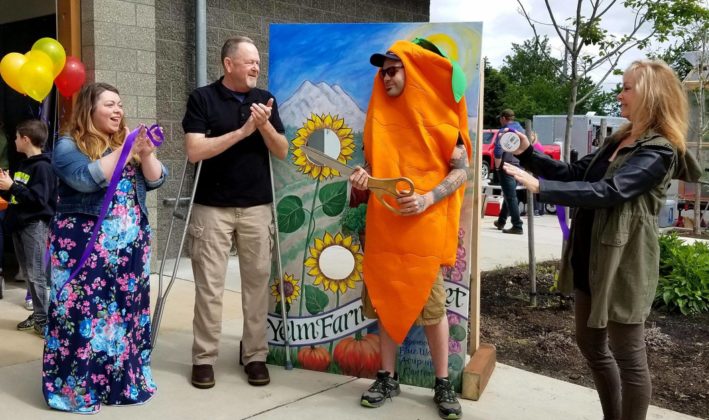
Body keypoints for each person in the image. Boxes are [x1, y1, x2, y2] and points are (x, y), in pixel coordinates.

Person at [504, 59, 701, 420]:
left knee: (628, 356)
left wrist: (541, 187)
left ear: (652, 95)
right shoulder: (619, 137)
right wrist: (529, 155)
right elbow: (578, 172)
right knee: (590, 344)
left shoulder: (660, 150)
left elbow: (611, 190)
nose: (620, 94)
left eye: (628, 88)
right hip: (588, 252)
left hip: (624, 260)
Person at [350, 39, 470, 420]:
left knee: (433, 309)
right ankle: (387, 377)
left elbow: (462, 170)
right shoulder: (378, 118)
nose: (384, 78)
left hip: (424, 228)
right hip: (385, 227)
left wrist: (427, 198)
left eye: (392, 70)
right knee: (386, 301)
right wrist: (362, 181)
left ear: (412, 70)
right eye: (381, 72)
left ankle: (442, 382)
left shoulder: (443, 117)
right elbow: (373, 170)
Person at [43, 82, 167, 413]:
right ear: (89, 110)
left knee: (126, 315)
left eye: (121, 105)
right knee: (82, 314)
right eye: (110, 104)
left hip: (130, 249)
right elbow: (85, 179)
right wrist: (126, 148)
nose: (118, 110)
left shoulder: (122, 143)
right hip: (82, 246)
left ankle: (121, 384)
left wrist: (145, 153)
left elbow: (156, 179)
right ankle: (78, 387)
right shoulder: (68, 145)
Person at [182, 36, 288, 389]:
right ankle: (204, 358)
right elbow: (195, 150)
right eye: (249, 61)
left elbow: (282, 150)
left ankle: (255, 354)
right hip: (211, 208)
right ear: (229, 64)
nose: (256, 67)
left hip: (257, 207)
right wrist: (244, 131)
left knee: (257, 286)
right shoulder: (202, 98)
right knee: (209, 287)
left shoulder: (265, 100)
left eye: (258, 61)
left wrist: (265, 126)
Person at [0, 119, 56, 334]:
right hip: (20, 225)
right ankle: (39, 314)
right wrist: (7, 187)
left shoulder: (43, 167)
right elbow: (19, 196)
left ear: (25, 139)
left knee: (36, 274)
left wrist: (13, 186)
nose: (13, 141)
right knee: (29, 275)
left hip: (34, 225)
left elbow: (39, 200)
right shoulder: (24, 165)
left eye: (16, 137)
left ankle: (44, 320)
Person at [492, 109, 524, 234]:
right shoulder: (520, 130)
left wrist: (498, 167)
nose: (500, 121)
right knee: (509, 194)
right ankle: (501, 220)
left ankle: (517, 225)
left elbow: (498, 151)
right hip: (518, 166)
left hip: (506, 166)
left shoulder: (503, 131)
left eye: (500, 118)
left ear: (504, 118)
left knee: (510, 197)